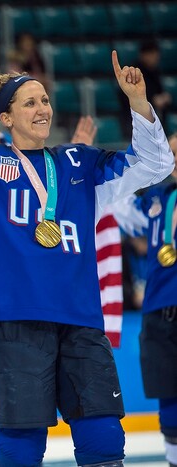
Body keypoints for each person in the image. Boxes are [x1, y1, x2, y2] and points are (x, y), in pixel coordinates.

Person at [0, 23, 174, 467]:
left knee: (104, 438)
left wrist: (138, 104)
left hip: (78, 318)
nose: (43, 109)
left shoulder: (80, 165)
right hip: (11, 319)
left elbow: (154, 163)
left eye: (46, 100)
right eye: (29, 102)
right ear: (6, 117)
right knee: (21, 443)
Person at [111, 132, 177, 467]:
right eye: (174, 153)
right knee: (169, 398)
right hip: (158, 313)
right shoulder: (157, 200)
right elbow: (118, 205)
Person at [119, 40, 172, 139]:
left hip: (153, 117)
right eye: (152, 54)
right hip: (133, 118)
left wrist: (164, 98)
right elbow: (126, 97)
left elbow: (160, 92)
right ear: (144, 55)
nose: (156, 58)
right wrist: (153, 101)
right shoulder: (133, 72)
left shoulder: (155, 71)